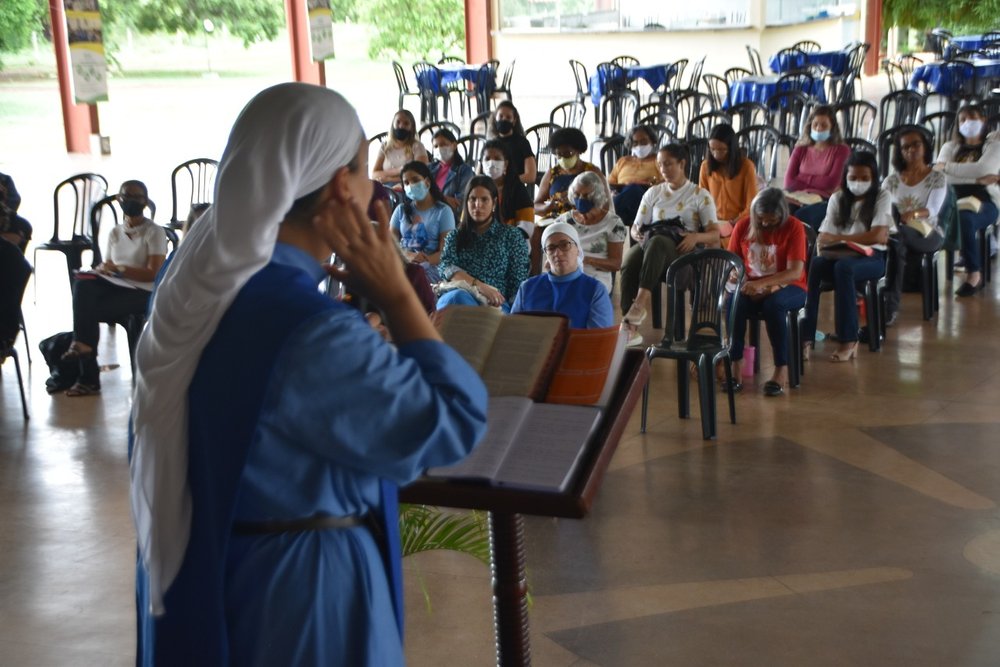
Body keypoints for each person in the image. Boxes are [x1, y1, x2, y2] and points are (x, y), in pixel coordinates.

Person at [130, 83, 488, 666]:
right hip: (304, 594)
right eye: (365, 169)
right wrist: (398, 294)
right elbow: (452, 420)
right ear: (341, 187)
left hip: (221, 564)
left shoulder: (194, 285)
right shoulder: (308, 329)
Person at [60, 180, 166, 396]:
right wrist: (103, 270)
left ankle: (87, 376)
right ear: (119, 199)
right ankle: (83, 347)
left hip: (143, 293)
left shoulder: (154, 232)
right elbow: (110, 266)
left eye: (137, 197)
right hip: (118, 288)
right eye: (126, 196)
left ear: (145, 202)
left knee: (85, 313)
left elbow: (154, 273)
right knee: (83, 284)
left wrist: (119, 269)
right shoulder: (115, 233)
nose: (131, 201)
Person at [620, 144, 721, 346]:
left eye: (668, 164)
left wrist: (695, 237)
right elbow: (635, 227)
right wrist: (636, 233)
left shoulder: (700, 195)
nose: (663, 169)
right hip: (652, 249)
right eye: (659, 164)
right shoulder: (653, 193)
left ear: (682, 163)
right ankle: (630, 326)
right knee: (630, 259)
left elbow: (714, 235)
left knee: (658, 242)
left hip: (682, 255)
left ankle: (640, 303)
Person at [801, 151, 893, 362]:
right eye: (853, 178)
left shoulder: (882, 196)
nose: (857, 183)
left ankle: (848, 339)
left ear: (873, 177)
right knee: (815, 264)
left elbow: (878, 236)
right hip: (839, 255)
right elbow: (823, 238)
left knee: (844, 268)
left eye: (864, 178)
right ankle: (805, 335)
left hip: (872, 258)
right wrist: (852, 239)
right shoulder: (838, 198)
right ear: (845, 178)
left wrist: (840, 237)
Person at [727, 188, 808, 396]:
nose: (765, 225)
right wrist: (735, 275)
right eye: (761, 219)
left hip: (791, 286)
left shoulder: (794, 227)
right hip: (752, 286)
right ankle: (735, 366)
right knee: (733, 303)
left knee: (774, 305)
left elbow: (794, 272)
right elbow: (732, 262)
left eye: (772, 221)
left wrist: (767, 285)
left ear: (782, 215)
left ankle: (781, 369)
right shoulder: (743, 226)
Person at [882, 127, 948, 323]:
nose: (911, 150)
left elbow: (933, 209)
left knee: (896, 238)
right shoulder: (891, 180)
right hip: (897, 232)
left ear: (925, 147)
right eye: (905, 147)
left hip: (928, 232)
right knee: (894, 239)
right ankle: (877, 295)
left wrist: (913, 214)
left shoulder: (937, 177)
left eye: (915, 144)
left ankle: (890, 305)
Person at [934, 103, 1000, 297]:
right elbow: (938, 175)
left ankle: (974, 272)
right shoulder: (950, 146)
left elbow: (984, 168)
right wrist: (976, 179)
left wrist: (948, 167)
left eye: (973, 119)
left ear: (983, 121)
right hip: (950, 200)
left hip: (985, 202)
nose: (968, 123)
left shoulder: (993, 146)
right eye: (963, 120)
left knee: (965, 218)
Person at [436, 176, 530, 311]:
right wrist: (479, 286)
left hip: (495, 304)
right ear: (466, 203)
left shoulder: (511, 236)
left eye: (484, 199)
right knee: (456, 297)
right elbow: (446, 268)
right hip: (459, 296)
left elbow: (518, 283)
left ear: (494, 203)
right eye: (472, 199)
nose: (477, 205)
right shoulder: (455, 236)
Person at [510, 222, 613, 328]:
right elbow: (512, 331)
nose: (557, 253)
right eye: (551, 248)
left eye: (564, 245)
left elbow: (599, 340)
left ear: (578, 250)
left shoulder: (595, 291)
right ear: (546, 254)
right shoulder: (527, 288)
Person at [553, 171, 626, 293]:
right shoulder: (563, 221)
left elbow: (616, 264)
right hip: (566, 272)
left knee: (581, 293)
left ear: (596, 197)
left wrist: (585, 259)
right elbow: (551, 257)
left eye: (586, 196)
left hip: (596, 276)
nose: (580, 199)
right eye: (576, 195)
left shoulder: (613, 224)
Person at [783, 105, 852, 230]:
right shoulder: (800, 149)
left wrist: (802, 177)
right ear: (810, 126)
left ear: (832, 128)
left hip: (826, 200)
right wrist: (818, 180)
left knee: (800, 217)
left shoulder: (841, 150)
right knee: (778, 212)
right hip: (797, 197)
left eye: (824, 125)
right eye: (815, 125)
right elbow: (789, 182)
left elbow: (832, 183)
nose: (819, 129)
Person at [390, 160, 456, 283]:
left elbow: (445, 252)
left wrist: (424, 260)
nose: (411, 185)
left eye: (415, 180)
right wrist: (407, 256)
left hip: (431, 266)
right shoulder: (401, 210)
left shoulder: (443, 211)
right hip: (402, 261)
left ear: (427, 182)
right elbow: (389, 243)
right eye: (406, 183)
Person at [699, 123, 758, 246]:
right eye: (712, 149)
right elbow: (702, 199)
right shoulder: (706, 166)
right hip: (713, 223)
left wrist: (732, 223)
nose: (716, 154)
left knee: (718, 244)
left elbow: (751, 206)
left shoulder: (746, 167)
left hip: (739, 224)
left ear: (731, 148)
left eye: (721, 150)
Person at [534, 127, 604, 221]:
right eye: (559, 154)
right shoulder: (552, 174)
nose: (563, 158)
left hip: (585, 220)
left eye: (568, 154)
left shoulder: (592, 171)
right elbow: (536, 205)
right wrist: (546, 208)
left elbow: (605, 204)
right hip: (555, 220)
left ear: (579, 151)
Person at [608, 125, 664, 226]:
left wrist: (646, 183)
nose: (639, 146)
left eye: (643, 142)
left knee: (633, 188)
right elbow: (610, 183)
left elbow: (665, 183)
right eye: (635, 143)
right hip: (622, 194)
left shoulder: (658, 161)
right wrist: (613, 192)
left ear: (652, 141)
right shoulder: (623, 161)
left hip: (645, 196)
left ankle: (609, 217)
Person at [481, 140, 534, 229]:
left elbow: (527, 227)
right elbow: (466, 221)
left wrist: (503, 238)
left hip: (511, 240)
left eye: (497, 159)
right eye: (487, 159)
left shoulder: (517, 189)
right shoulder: (476, 189)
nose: (491, 163)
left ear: (506, 164)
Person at [371, 109, 429, 187]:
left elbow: (420, 174)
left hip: (407, 187)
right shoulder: (385, 146)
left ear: (411, 127)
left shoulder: (417, 146)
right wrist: (398, 170)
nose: (401, 126)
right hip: (385, 186)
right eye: (398, 122)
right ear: (393, 124)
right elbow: (374, 174)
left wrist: (389, 179)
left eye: (406, 123)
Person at [488, 100, 536, 186]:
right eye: (501, 116)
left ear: (514, 121)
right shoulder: (491, 144)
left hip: (516, 189)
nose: (504, 120)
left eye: (508, 117)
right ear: (495, 119)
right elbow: (479, 173)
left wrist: (506, 181)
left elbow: (531, 176)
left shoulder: (522, 143)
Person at [430, 128, 474, 212]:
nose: (439, 148)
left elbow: (460, 203)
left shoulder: (464, 170)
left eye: (443, 144)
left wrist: (431, 197)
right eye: (436, 146)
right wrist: (445, 198)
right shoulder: (430, 168)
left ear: (454, 145)